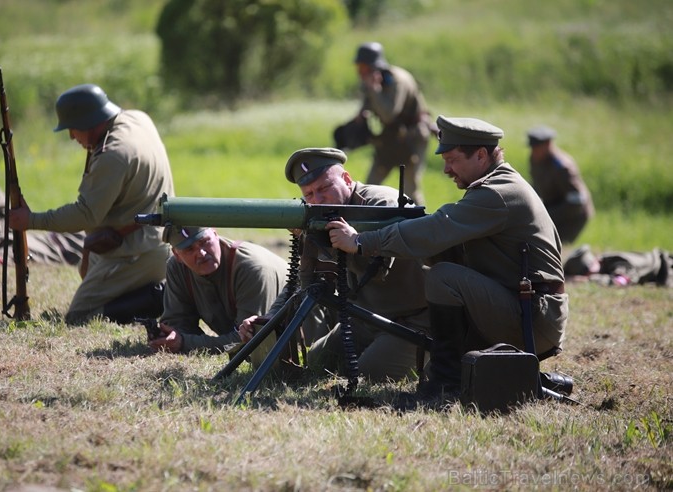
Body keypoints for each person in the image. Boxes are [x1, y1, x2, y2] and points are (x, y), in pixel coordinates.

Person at [326, 116, 568, 407]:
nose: (446, 169)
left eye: (452, 159)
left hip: (534, 319)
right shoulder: (495, 186)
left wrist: (362, 241)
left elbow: (436, 229)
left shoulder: (497, 193)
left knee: (443, 277)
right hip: (523, 308)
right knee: (442, 276)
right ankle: (462, 379)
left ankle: (447, 387)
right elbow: (441, 242)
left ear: (481, 155)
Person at [239, 148, 432, 383]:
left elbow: (379, 270)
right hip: (365, 318)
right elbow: (305, 282)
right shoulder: (318, 213)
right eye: (309, 194)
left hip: (413, 321)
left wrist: (347, 243)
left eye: (324, 188)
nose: (317, 199)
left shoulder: (381, 203)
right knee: (318, 363)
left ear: (347, 179)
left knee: (366, 376)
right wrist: (272, 318)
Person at [9, 84, 174, 325]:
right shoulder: (138, 118)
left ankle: (161, 298)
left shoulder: (113, 153)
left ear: (89, 123)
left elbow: (86, 215)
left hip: (136, 252)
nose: (71, 136)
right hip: (153, 241)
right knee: (88, 273)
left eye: (72, 128)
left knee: (79, 316)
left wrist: (31, 220)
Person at [149, 225, 289, 366]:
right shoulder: (177, 268)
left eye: (205, 242)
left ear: (215, 234)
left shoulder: (252, 269)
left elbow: (252, 341)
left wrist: (186, 343)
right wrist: (171, 338)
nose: (201, 253)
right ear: (177, 255)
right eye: (189, 249)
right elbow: (177, 325)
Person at [348, 42, 437, 206]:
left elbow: (389, 114)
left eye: (363, 67)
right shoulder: (369, 81)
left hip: (412, 137)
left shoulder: (398, 80)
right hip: (389, 138)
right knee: (371, 184)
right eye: (358, 66)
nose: (360, 72)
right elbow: (367, 106)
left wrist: (374, 89)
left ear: (374, 66)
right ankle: (365, 221)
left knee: (411, 188)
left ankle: (420, 224)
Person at [527, 125, 594, 244]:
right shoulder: (535, 159)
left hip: (573, 216)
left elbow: (576, 201)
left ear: (548, 144)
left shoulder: (562, 167)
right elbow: (536, 185)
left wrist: (546, 215)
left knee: (554, 245)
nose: (534, 151)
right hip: (552, 206)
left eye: (537, 147)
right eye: (533, 148)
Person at [564, 244, 671, 287]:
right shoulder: (608, 262)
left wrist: (587, 280)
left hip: (667, 266)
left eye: (589, 269)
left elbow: (621, 281)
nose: (591, 273)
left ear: (596, 260)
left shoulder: (616, 261)